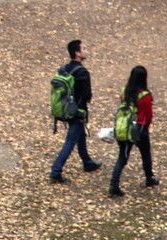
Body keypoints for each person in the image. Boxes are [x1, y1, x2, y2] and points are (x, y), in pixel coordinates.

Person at [49, 39, 102, 183]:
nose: (87, 51)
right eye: (84, 49)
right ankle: (56, 171)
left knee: (80, 135)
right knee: (71, 140)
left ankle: (87, 162)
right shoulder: (82, 72)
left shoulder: (65, 68)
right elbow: (87, 95)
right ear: (77, 53)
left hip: (66, 108)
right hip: (76, 111)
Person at [109, 65, 159, 197]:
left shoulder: (124, 91)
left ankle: (114, 184)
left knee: (122, 157)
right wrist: (146, 126)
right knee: (145, 154)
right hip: (139, 128)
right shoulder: (145, 95)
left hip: (124, 127)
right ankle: (149, 178)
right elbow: (148, 114)